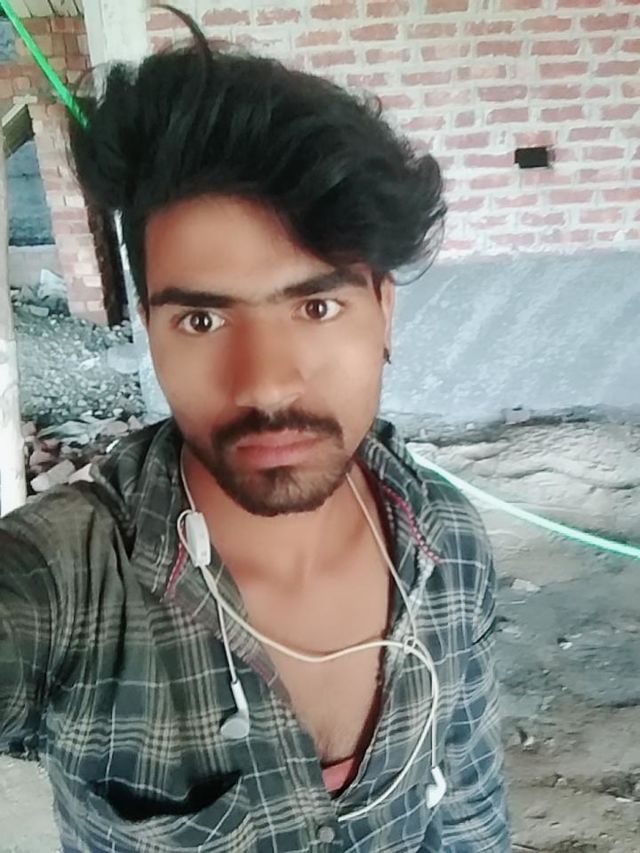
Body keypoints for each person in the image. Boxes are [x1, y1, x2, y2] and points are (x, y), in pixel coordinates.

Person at [0, 7, 510, 851]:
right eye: (202, 320)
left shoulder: (447, 544)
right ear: (150, 328)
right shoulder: (68, 587)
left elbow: (470, 816)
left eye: (316, 307)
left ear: (383, 311)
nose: (266, 382)